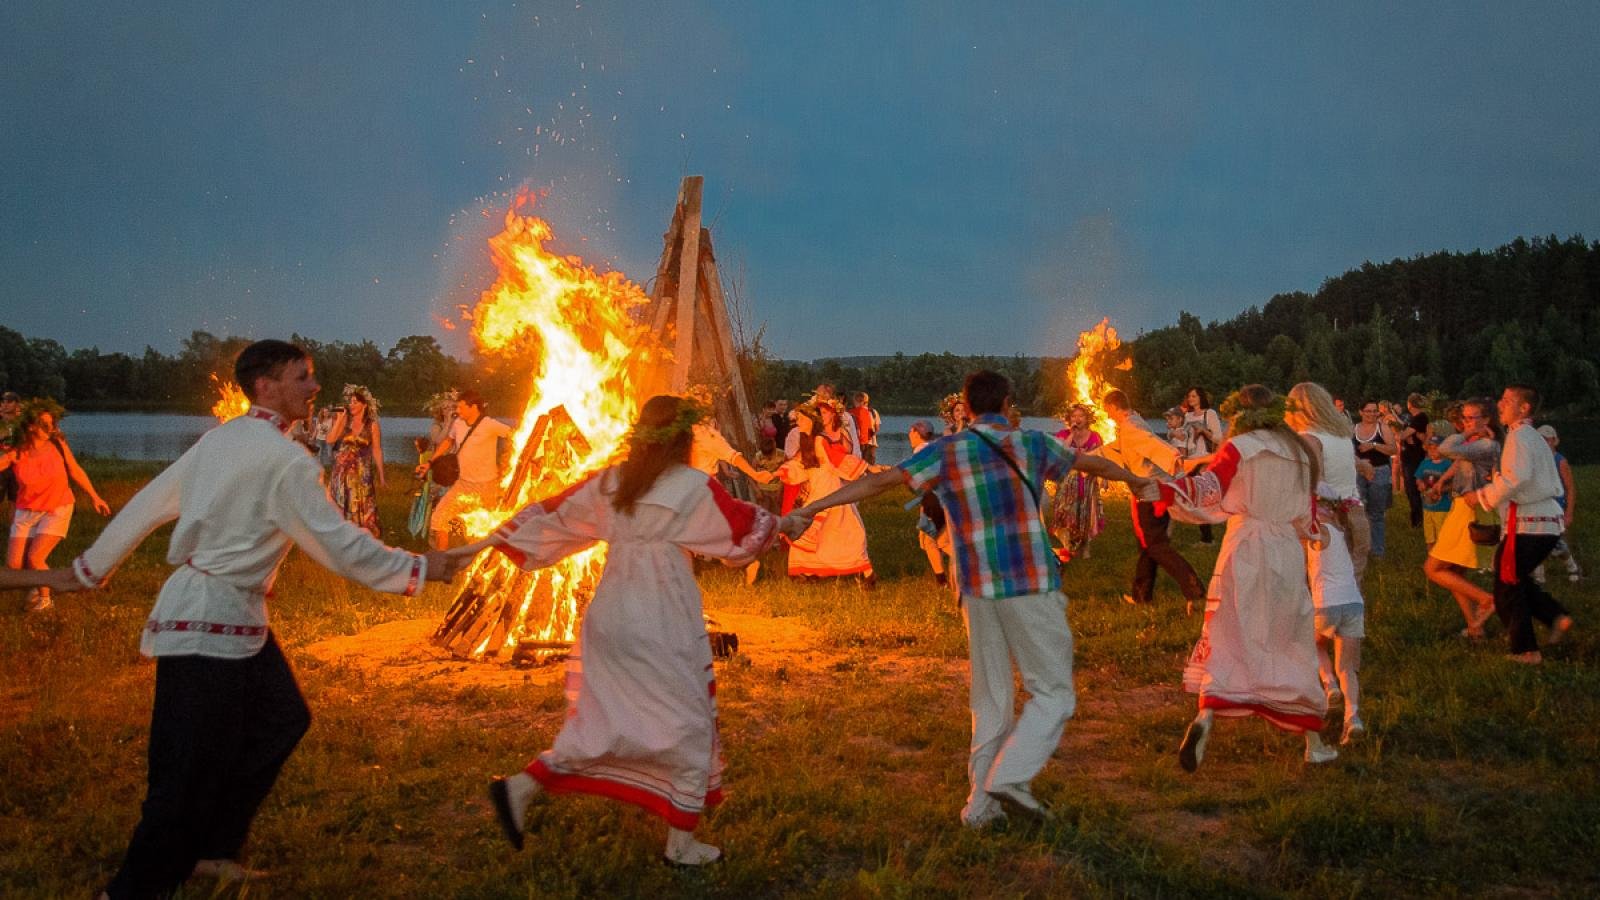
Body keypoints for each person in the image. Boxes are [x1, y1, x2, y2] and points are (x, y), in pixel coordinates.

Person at [47, 339, 465, 899]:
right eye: (302, 377)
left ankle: (213, 849)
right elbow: (338, 544)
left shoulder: (224, 438)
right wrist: (420, 567)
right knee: (182, 767)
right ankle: (131, 890)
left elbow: (149, 500)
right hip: (203, 621)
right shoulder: (286, 462)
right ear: (266, 386)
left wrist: (92, 567)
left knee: (281, 719)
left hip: (236, 618)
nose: (315, 387)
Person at [787, 371, 1154, 827]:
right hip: (1029, 581)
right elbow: (1094, 465)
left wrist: (812, 507)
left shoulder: (947, 450)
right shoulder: (1033, 444)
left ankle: (980, 808)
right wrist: (1136, 481)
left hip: (977, 586)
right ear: (1007, 403)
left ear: (968, 406)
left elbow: (879, 484)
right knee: (1053, 691)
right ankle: (1009, 777)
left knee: (991, 699)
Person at [473, 395, 786, 866]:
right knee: (690, 724)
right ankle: (681, 846)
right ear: (683, 438)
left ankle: (521, 788)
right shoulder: (691, 485)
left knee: (600, 723)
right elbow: (740, 537)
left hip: (612, 616)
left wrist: (477, 546)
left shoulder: (613, 482)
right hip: (661, 617)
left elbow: (553, 515)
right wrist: (783, 524)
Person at [1159, 385, 1339, 771]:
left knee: (1230, 630)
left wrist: (1164, 490)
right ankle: (1313, 742)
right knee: (1289, 636)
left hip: (1243, 546)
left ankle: (1207, 715)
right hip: (1284, 550)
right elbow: (1307, 514)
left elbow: (1208, 489)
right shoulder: (1302, 452)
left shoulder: (1239, 447)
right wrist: (1315, 534)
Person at [1467, 386, 1573, 663]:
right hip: (1541, 523)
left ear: (1524, 407)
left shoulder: (1521, 435)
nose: (1500, 404)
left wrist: (1481, 496)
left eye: (1506, 400)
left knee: (1507, 586)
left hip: (1531, 525)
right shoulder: (1529, 436)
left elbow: (1517, 478)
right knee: (1516, 579)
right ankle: (1555, 616)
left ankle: (1526, 650)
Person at [1286, 383, 1367, 745]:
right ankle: (1353, 712)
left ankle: (1323, 686)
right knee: (1350, 581)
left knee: (1308, 607)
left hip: (1324, 519)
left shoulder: (1310, 438)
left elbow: (1311, 482)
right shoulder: (1342, 435)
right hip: (1353, 515)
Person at [1100, 390, 1207, 611]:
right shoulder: (1134, 423)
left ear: (1114, 407)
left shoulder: (1132, 427)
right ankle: (1141, 596)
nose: (1108, 416)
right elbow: (1116, 449)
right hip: (1153, 493)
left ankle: (1194, 589)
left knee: (1156, 546)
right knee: (1147, 546)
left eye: (1108, 411)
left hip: (1151, 495)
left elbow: (1153, 444)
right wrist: (1082, 460)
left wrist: (1176, 460)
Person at [0, 399, 112, 611]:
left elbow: (75, 470)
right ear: (31, 427)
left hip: (57, 507)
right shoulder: (18, 450)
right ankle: (35, 586)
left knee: (35, 557)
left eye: (52, 424)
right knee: (13, 566)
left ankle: (45, 599)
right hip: (27, 509)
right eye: (44, 424)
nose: (50, 428)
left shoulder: (58, 444)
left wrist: (95, 497)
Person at [779, 399, 877, 585]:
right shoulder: (808, 440)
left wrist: (868, 467)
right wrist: (776, 473)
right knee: (810, 530)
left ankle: (866, 571)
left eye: (802, 419)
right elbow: (799, 464)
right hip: (818, 489)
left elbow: (838, 459)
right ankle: (807, 570)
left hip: (831, 490)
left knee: (846, 530)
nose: (798, 422)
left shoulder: (820, 440)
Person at [1425, 399, 1501, 638]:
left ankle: (1486, 599)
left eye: (1472, 418)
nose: (1466, 423)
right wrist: (1441, 482)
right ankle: (1474, 627)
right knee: (1455, 572)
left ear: (1486, 419)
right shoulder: (1475, 444)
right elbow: (1458, 463)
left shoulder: (1486, 444)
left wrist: (1466, 434)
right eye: (1464, 418)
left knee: (1433, 568)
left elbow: (1445, 448)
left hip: (1468, 511)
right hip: (1460, 506)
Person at [426, 389, 514, 549]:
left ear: (473, 407)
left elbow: (514, 435)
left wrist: (508, 461)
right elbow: (448, 441)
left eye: (461, 407)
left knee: (484, 531)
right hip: (462, 484)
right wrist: (431, 461)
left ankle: (483, 561)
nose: (457, 411)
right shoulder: (458, 424)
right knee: (439, 519)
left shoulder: (489, 424)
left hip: (486, 486)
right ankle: (441, 559)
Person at [325, 385, 386, 537]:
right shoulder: (345, 421)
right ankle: (341, 536)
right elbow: (330, 439)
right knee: (341, 505)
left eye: (355, 402)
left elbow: (377, 450)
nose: (351, 405)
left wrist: (381, 475)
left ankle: (363, 537)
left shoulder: (372, 425)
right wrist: (339, 419)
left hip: (361, 474)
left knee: (362, 505)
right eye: (350, 402)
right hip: (341, 473)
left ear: (364, 405)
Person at [1049, 404, 1105, 563]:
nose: (1077, 419)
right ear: (1069, 419)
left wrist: (1104, 478)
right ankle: (1068, 546)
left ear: (1087, 419)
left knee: (1086, 514)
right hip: (1068, 481)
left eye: (1081, 416)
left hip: (1087, 481)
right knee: (1066, 513)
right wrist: (1071, 434)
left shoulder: (1095, 437)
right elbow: (1061, 452)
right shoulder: (1063, 434)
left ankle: (1085, 546)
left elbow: (1101, 457)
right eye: (1074, 416)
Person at [908, 420, 954, 588]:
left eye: (910, 433)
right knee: (936, 540)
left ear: (916, 433)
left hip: (934, 501)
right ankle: (942, 580)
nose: (909, 436)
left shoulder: (920, 451)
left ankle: (944, 581)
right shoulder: (934, 447)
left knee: (936, 541)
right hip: (944, 498)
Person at [1534, 425, 1582, 583]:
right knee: (1537, 539)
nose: (1545, 443)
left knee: (1555, 541)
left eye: (1548, 439)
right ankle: (1539, 576)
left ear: (1555, 441)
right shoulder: (1535, 460)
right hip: (1539, 505)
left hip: (1556, 507)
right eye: (1541, 439)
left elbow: (1570, 487)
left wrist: (1569, 512)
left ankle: (1571, 566)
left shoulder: (1560, 461)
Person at [1352, 400, 1399, 559]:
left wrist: (1374, 445)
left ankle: (1377, 550)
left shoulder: (1382, 428)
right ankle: (1360, 548)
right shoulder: (1353, 429)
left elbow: (1393, 449)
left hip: (1379, 472)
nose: (1372, 414)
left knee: (1376, 513)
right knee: (1358, 511)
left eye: (1375, 411)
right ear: (1361, 412)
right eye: (1368, 411)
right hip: (1358, 473)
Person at [1181, 386, 1225, 543]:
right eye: (1189, 396)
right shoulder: (1187, 416)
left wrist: (1203, 431)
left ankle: (1207, 538)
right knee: (1190, 496)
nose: (1191, 399)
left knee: (1202, 497)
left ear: (1201, 397)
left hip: (1205, 459)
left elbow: (1219, 438)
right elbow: (1183, 439)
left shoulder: (1209, 414)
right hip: (1190, 460)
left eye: (1194, 396)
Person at [1393, 394, 1431, 528]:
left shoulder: (1420, 418)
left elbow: (1403, 435)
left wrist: (1400, 435)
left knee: (1413, 488)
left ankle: (1418, 519)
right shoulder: (1413, 418)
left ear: (1410, 404)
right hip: (1408, 457)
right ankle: (1417, 516)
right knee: (1410, 489)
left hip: (1415, 458)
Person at [1413, 433, 1455, 548]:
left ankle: (1442, 555)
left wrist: (1441, 489)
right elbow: (1418, 478)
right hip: (1427, 506)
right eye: (1430, 448)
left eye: (1436, 448)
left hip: (1442, 508)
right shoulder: (1425, 463)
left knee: (1441, 536)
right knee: (1429, 537)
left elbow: (1453, 483)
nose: (1432, 451)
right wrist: (1420, 484)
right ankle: (1430, 554)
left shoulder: (1447, 464)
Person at [850, 391, 881, 464]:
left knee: (859, 463)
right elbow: (877, 428)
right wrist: (869, 437)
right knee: (869, 464)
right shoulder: (872, 412)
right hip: (869, 442)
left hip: (860, 442)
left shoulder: (852, 412)